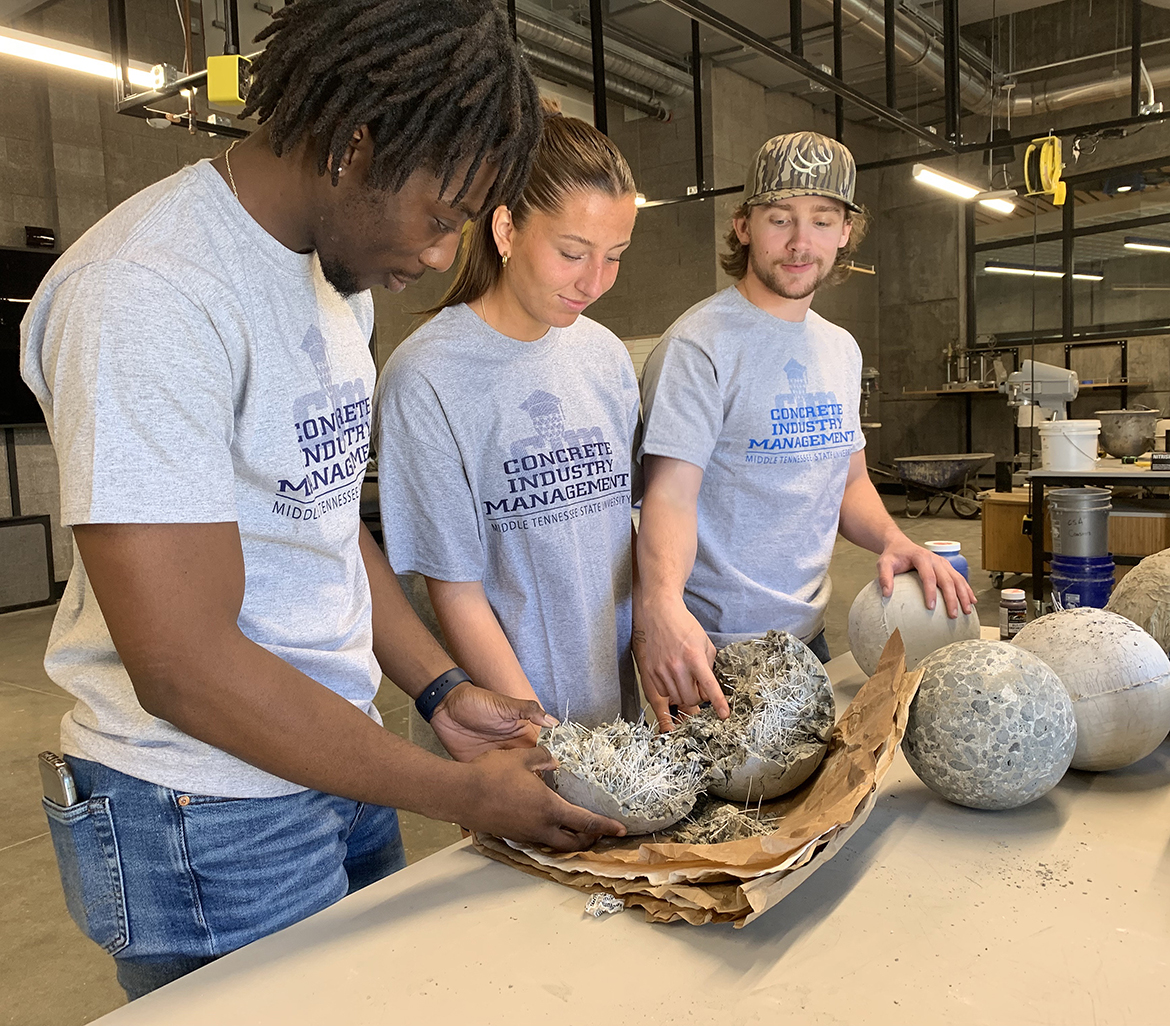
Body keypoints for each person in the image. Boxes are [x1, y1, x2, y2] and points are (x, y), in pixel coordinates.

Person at [20, 0, 624, 999]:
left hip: (333, 757)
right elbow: (184, 666)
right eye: (442, 216)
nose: (441, 255)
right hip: (202, 809)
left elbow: (324, 518)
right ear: (355, 148)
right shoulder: (148, 296)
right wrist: (457, 789)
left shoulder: (331, 268)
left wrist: (438, 691)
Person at [635, 131, 976, 731]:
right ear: (743, 226)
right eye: (779, 219)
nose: (800, 243)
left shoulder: (839, 349)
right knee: (736, 823)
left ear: (846, 232)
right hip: (714, 650)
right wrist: (659, 607)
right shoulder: (698, 347)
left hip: (810, 638)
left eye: (822, 220)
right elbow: (668, 495)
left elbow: (847, 482)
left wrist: (894, 541)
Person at [374, 103, 641, 735]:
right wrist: (546, 738)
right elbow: (455, 591)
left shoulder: (604, 355)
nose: (595, 281)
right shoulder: (427, 377)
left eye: (615, 254)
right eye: (573, 252)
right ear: (505, 231)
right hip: (507, 732)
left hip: (623, 720)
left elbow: (623, 528)